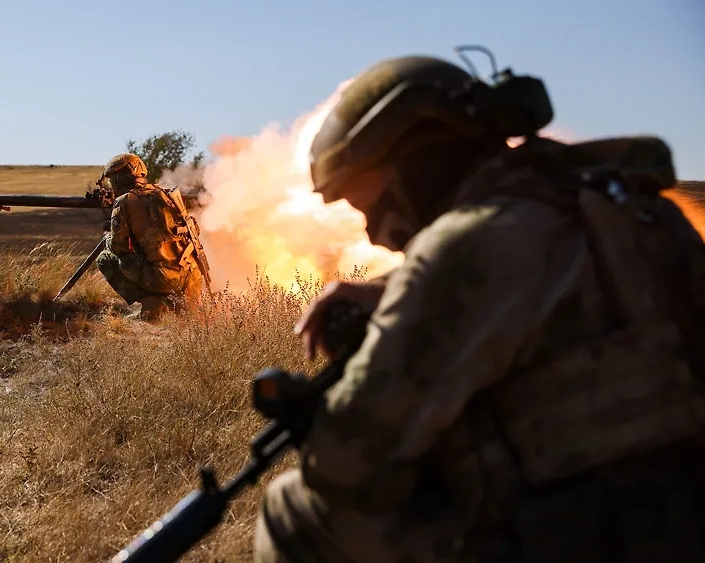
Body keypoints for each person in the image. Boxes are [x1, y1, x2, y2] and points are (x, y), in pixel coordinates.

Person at [254, 54, 705, 562]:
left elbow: (350, 463)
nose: (371, 232)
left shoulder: (462, 249)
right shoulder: (628, 205)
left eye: (367, 207)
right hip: (683, 513)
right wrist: (396, 288)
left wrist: (320, 418)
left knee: (292, 509)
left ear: (409, 164)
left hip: (588, 532)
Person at [94, 152, 211, 321]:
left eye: (112, 181)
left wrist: (109, 236)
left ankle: (152, 305)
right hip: (192, 276)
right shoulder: (166, 194)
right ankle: (177, 305)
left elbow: (118, 247)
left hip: (164, 279)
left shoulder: (124, 201)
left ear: (119, 178)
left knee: (105, 259)